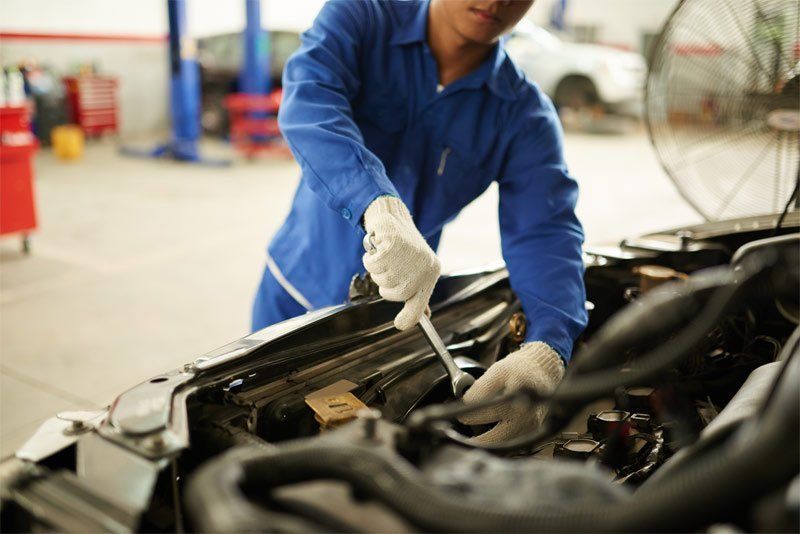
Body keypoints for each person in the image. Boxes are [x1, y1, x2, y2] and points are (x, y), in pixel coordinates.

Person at [252, 0, 588, 444]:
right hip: (293, 293)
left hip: (390, 324)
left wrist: (548, 348)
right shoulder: (361, 16)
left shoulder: (523, 116)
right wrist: (378, 205)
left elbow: (546, 233)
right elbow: (310, 103)